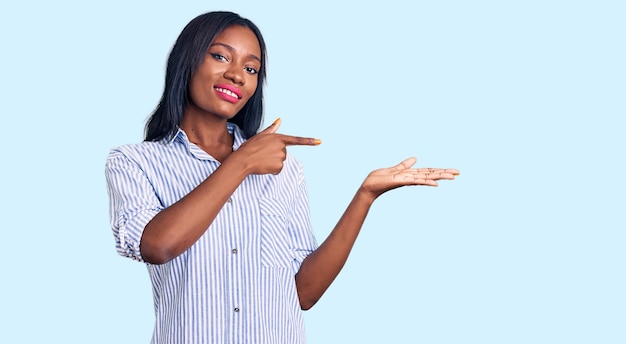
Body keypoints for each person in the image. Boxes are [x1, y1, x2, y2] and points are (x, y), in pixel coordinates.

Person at [105, 11, 459, 344]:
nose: (237, 75)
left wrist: (365, 196)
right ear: (187, 61)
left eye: (251, 68)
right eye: (220, 57)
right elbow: (156, 246)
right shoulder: (135, 161)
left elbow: (303, 292)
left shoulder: (285, 170)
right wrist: (240, 163)